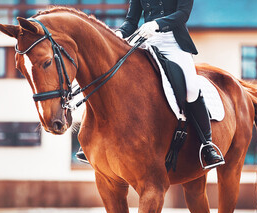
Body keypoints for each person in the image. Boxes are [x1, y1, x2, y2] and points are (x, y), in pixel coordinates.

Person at [77, 0, 224, 169]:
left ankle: (207, 145)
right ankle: (93, 136)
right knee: (113, 72)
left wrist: (157, 24)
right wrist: (119, 33)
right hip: (146, 41)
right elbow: (131, 21)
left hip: (174, 43)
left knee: (191, 88)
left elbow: (183, 15)